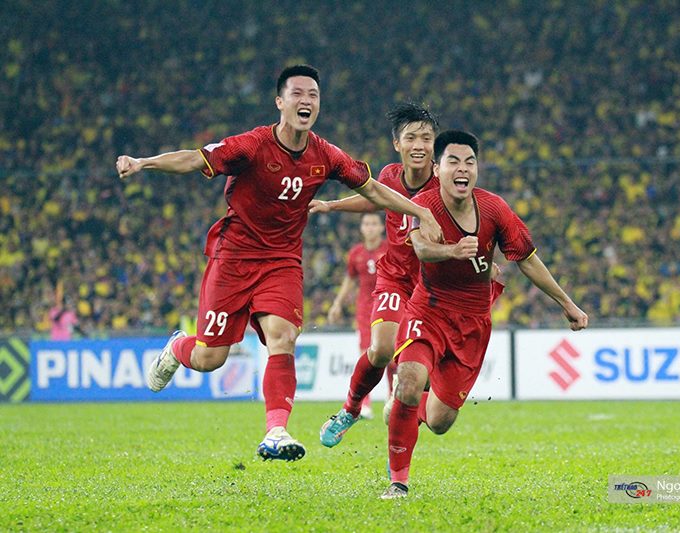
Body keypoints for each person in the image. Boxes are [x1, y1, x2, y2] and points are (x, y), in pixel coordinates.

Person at [114, 65, 442, 462]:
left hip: (282, 260)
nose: (306, 101)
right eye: (297, 94)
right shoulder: (252, 145)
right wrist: (143, 162)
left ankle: (276, 431)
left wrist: (419, 211)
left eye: (313, 95)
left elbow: (373, 189)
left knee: (283, 338)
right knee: (210, 357)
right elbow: (194, 159)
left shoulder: (326, 154)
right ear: (280, 102)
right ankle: (177, 348)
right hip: (234, 257)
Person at [381, 130, 589, 499]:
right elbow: (422, 249)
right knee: (410, 383)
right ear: (437, 168)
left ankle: (406, 410)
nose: (462, 169)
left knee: (440, 422)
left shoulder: (495, 209)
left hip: (473, 324)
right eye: (453, 161)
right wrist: (452, 252)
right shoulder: (422, 205)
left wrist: (566, 303)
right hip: (427, 309)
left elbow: (527, 260)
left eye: (470, 162)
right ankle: (398, 481)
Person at [312, 102, 441, 447]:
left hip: (433, 287)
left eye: (426, 138)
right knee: (381, 349)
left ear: (435, 144)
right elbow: (374, 199)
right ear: (397, 144)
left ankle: (401, 434)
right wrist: (332, 205)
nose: (419, 145)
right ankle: (351, 409)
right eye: (411, 138)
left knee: (423, 377)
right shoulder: (389, 176)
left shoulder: (445, 181)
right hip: (395, 278)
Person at [327, 212, 388, 419]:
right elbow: (350, 279)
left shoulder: (390, 249)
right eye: (366, 224)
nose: (370, 228)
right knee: (366, 354)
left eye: (374, 224)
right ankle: (365, 404)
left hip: (387, 304)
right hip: (364, 309)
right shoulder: (356, 253)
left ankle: (392, 398)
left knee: (391, 355)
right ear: (361, 228)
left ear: (381, 227)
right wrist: (337, 303)